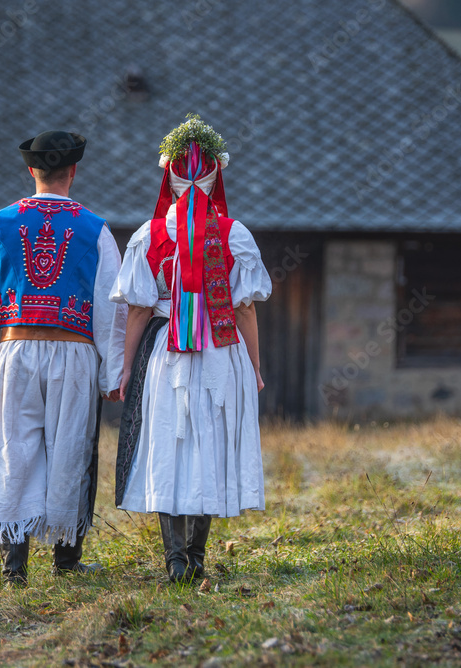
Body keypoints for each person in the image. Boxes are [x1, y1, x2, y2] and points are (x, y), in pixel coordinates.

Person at [0, 130, 126, 586]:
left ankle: (14, 565)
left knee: (15, 450)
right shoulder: (96, 229)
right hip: (75, 353)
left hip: (14, 351)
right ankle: (66, 560)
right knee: (71, 450)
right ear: (73, 171)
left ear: (31, 171)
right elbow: (111, 304)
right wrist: (111, 373)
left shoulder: (1, 222)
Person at [111, 115, 271, 583]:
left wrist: (125, 370)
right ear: (216, 173)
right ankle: (198, 557)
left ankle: (175, 560)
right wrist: (256, 367)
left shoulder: (149, 235)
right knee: (211, 443)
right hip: (223, 350)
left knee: (170, 443)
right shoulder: (236, 235)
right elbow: (244, 310)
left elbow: (139, 310)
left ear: (170, 175)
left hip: (169, 355)